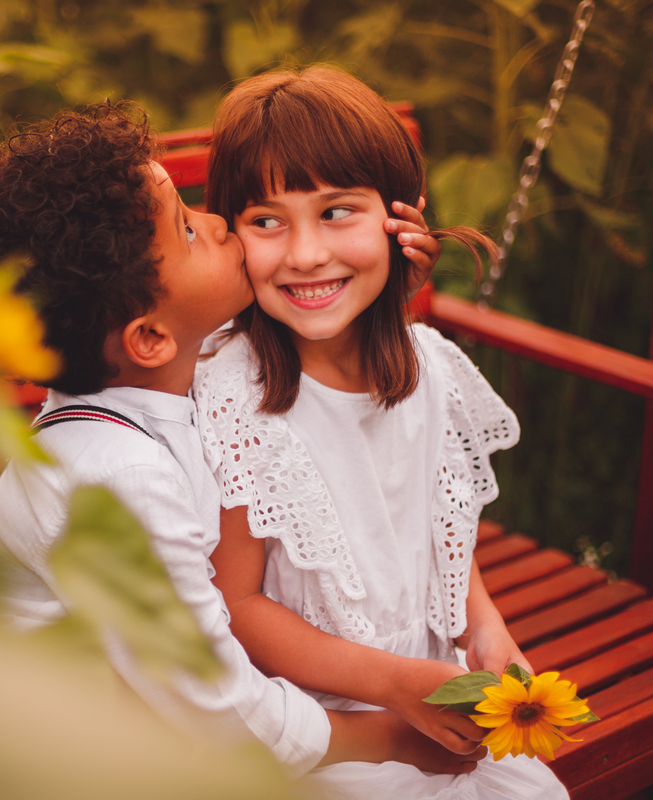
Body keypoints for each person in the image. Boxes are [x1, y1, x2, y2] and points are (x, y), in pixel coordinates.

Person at [0, 104, 472, 778]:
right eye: (188, 229)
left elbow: (293, 335)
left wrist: (385, 289)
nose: (219, 225)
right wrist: (382, 734)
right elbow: (215, 703)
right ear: (150, 337)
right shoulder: (116, 482)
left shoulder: (145, 377)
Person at [195, 67, 570, 798]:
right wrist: (394, 685)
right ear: (233, 235)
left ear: (404, 220)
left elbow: (443, 535)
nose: (304, 254)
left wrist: (486, 634)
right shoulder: (237, 393)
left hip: (435, 696)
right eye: (268, 221)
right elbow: (236, 605)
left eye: (337, 212)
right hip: (314, 729)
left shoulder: (430, 368)